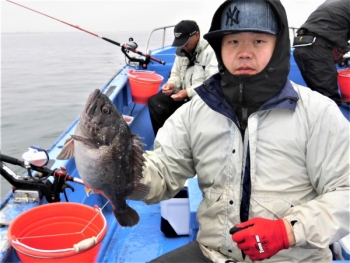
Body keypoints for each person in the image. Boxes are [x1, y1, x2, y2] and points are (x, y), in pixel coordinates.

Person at [141, 0, 350, 262]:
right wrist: (115, 169)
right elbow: (162, 171)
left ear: (278, 45)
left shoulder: (317, 113)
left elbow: (345, 191)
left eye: (259, 41)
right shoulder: (195, 112)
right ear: (220, 48)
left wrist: (287, 230)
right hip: (213, 254)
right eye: (233, 41)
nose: (244, 52)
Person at [148, 20, 218, 136]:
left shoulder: (211, 52)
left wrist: (188, 92)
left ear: (197, 35)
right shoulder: (181, 52)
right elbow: (175, 74)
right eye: (180, 43)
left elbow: (212, 83)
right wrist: (172, 85)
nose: (183, 47)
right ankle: (164, 141)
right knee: (156, 102)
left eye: (186, 43)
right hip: (183, 97)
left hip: (202, 100)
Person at [292, 0, 350, 106]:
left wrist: (344, 51)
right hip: (317, 49)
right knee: (330, 102)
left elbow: (333, 28)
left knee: (319, 98)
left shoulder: (337, 3)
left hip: (302, 47)